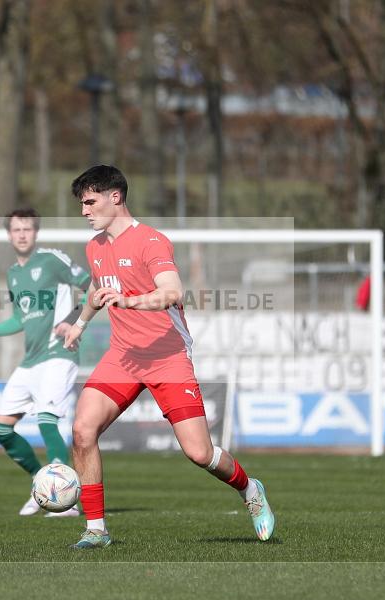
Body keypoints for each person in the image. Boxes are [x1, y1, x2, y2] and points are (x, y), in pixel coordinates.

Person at [62, 165, 275, 549]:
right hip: (124, 356)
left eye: (90, 202)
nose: (84, 211)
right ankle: (96, 530)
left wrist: (129, 301)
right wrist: (79, 323)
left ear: (115, 197)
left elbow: (172, 292)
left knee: (200, 453)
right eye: (82, 204)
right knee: (82, 430)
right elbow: (98, 288)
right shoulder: (95, 247)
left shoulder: (151, 241)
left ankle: (250, 489)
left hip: (167, 357)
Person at [0, 207, 91, 517]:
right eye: (16, 230)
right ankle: (41, 484)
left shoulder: (52, 259)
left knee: (47, 418)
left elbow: (93, 286)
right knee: (0, 429)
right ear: (9, 235)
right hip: (31, 360)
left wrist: (74, 320)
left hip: (59, 353)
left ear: (36, 232)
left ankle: (63, 503)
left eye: (27, 229)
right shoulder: (13, 274)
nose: (22, 234)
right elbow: (21, 318)